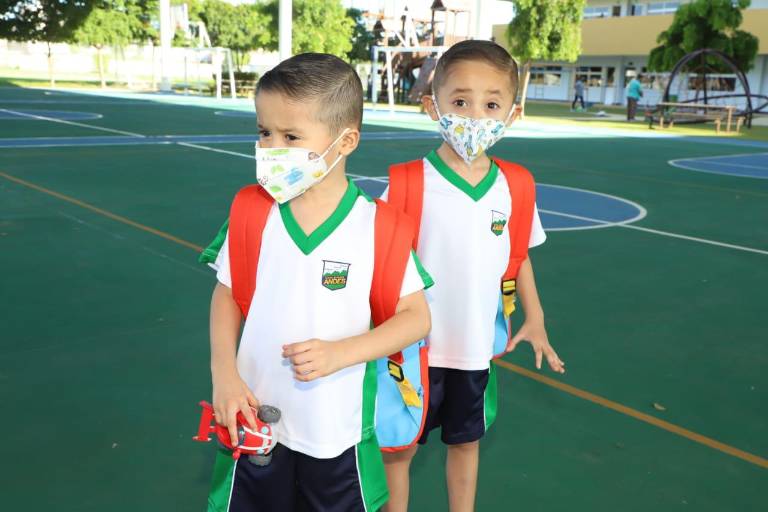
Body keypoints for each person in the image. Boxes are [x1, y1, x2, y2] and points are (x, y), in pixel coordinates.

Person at [205, 53, 432, 512]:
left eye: (290, 136)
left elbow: (416, 320)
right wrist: (223, 374)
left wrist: (342, 352)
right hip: (254, 417)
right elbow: (227, 293)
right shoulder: (252, 211)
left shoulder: (379, 227)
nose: (271, 148)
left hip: (336, 431)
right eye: (264, 132)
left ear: (345, 140)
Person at [379, 40, 565, 512]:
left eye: (491, 104)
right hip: (410, 351)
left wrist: (536, 316)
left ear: (512, 114)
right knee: (397, 450)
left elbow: (517, 256)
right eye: (460, 101)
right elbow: (378, 265)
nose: (475, 115)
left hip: (474, 348)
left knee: (465, 444)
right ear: (431, 106)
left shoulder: (516, 186)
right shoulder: (406, 183)